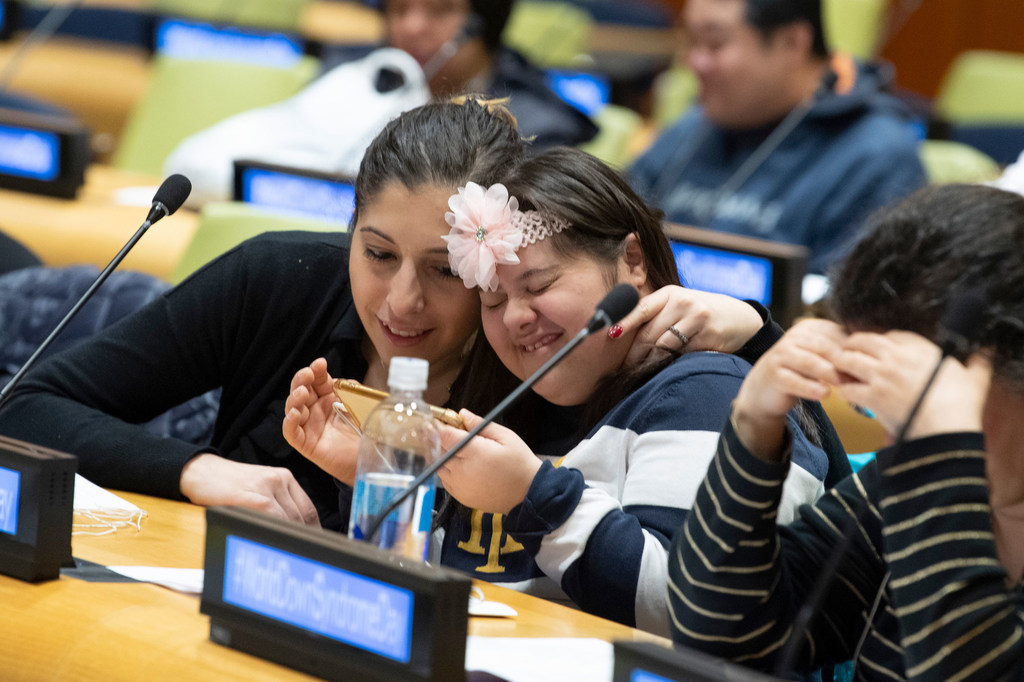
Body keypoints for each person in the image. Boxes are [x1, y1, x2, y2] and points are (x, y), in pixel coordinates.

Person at [286, 146, 831, 635]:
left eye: (540, 285)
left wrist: (535, 496)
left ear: (633, 262)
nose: (516, 317)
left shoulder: (705, 393)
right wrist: (378, 478)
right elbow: (459, 588)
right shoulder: (518, 402)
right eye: (493, 302)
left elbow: (691, 615)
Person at [0, 98, 524, 530]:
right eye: (379, 255)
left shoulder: (538, 360)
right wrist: (196, 469)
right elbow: (25, 406)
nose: (402, 301)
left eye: (446, 272)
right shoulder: (281, 278)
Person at [668, 183, 1024, 679]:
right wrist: (752, 425)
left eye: (914, 388)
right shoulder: (901, 485)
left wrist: (945, 454)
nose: (893, 425)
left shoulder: (934, 475)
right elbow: (724, 632)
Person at [164, 0, 597, 206]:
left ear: (482, 24)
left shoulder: (538, 121)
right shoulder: (353, 75)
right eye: (399, 9)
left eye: (438, 11)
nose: (411, 28)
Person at [629, 0, 926, 274]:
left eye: (715, 43)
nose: (696, 62)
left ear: (792, 42)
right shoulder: (695, 124)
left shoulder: (877, 155)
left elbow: (842, 311)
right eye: (692, 41)